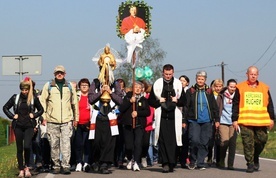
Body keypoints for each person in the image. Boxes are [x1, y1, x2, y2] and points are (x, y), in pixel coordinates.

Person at [232, 66, 275, 173]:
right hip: (245, 121)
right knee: (248, 142)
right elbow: (235, 104)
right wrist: (235, 119)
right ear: (247, 74)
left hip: (261, 121)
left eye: (255, 74)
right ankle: (250, 163)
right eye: (251, 74)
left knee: (262, 140)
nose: (253, 76)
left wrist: (272, 118)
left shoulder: (264, 88)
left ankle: (255, 156)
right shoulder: (240, 87)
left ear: (258, 75)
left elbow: (270, 105)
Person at [39, 65, 79, 175]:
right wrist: (43, 116)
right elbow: (42, 102)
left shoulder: (70, 86)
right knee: (54, 144)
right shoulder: (49, 86)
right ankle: (56, 165)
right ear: (54, 74)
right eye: (57, 73)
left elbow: (75, 103)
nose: (59, 74)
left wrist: (76, 118)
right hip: (52, 120)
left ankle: (65, 166)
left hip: (66, 120)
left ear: (65, 74)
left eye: (61, 72)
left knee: (66, 145)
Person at [3, 77, 44, 178]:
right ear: (20, 89)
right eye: (23, 90)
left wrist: (34, 115)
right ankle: (21, 169)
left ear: (29, 90)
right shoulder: (15, 98)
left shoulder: (33, 98)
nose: (24, 92)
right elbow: (5, 107)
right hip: (18, 126)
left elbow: (41, 110)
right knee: (19, 148)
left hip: (29, 126)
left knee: (27, 146)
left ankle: (27, 167)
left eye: (26, 90)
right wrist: (12, 116)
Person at [148, 64, 184, 173]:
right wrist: (159, 101)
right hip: (162, 117)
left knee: (173, 141)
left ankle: (172, 162)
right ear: (163, 73)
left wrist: (177, 100)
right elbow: (151, 101)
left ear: (173, 73)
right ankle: (165, 164)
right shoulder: (157, 84)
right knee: (162, 141)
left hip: (174, 117)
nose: (168, 76)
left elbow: (184, 102)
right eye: (166, 74)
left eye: (170, 74)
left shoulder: (178, 84)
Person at [184, 71, 219, 170]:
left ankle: (200, 162)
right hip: (193, 120)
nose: (200, 81)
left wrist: (217, 119)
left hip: (207, 120)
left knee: (204, 142)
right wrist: (184, 120)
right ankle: (192, 160)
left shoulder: (209, 91)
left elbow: (214, 106)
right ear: (196, 79)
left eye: (202, 79)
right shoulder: (190, 91)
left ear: (205, 80)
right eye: (199, 79)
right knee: (194, 140)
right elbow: (186, 106)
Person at [119, 81, 150, 171]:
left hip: (139, 125)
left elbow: (147, 112)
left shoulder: (143, 99)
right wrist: (130, 101)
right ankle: (129, 158)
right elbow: (121, 109)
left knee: (138, 143)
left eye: (139, 88)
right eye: (135, 87)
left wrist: (138, 113)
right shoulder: (127, 97)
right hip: (128, 124)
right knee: (129, 145)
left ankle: (137, 161)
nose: (137, 89)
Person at [216, 79, 238, 170]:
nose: (232, 88)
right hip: (223, 121)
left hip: (234, 122)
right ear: (227, 86)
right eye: (231, 86)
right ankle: (221, 159)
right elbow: (217, 108)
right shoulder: (221, 95)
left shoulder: (238, 95)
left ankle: (230, 164)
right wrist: (217, 120)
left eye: (234, 87)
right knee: (224, 141)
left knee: (232, 143)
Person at [74, 78, 93, 172]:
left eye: (86, 84)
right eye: (82, 85)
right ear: (79, 86)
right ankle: (78, 162)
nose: (84, 86)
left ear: (89, 87)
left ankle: (86, 162)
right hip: (77, 124)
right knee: (78, 144)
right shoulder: (76, 96)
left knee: (87, 144)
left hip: (88, 124)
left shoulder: (91, 96)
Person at [207, 79, 224, 166]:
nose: (218, 88)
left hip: (221, 119)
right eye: (216, 86)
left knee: (218, 141)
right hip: (211, 119)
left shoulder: (223, 96)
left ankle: (217, 159)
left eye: (220, 86)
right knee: (210, 140)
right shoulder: (210, 95)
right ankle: (209, 157)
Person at [178, 75, 190, 168]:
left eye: (184, 81)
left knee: (184, 140)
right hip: (175, 117)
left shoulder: (189, 92)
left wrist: (184, 119)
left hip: (185, 118)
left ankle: (183, 160)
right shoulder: (175, 91)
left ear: (187, 83)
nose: (182, 82)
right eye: (180, 80)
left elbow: (187, 107)